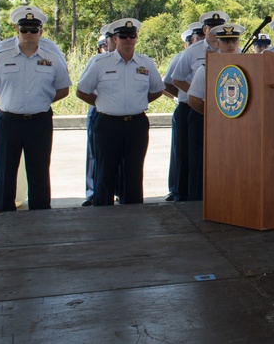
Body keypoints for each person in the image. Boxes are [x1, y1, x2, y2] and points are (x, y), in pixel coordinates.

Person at [0, 6, 71, 212]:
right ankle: (1, 220)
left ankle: (39, 220)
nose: (29, 34)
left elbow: (63, 89)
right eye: (24, 29)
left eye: (34, 29)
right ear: (16, 30)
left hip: (39, 122)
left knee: (39, 174)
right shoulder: (1, 54)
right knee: (4, 174)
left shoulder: (53, 56)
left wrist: (39, 102)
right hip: (8, 121)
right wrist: (9, 100)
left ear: (41, 32)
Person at [76, 18, 165, 206]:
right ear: (115, 39)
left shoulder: (146, 63)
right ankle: (102, 214)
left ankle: (133, 216)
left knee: (134, 172)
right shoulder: (100, 63)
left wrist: (138, 102)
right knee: (105, 172)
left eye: (131, 36)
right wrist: (101, 103)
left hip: (136, 124)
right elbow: (82, 91)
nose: (127, 40)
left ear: (136, 38)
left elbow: (157, 89)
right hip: (108, 124)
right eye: (123, 36)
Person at [169, 11, 226, 201]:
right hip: (195, 109)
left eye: (220, 28)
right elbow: (176, 78)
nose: (216, 33)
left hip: (225, 113)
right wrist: (197, 92)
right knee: (192, 157)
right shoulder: (192, 51)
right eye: (212, 28)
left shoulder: (231, 49)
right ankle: (189, 196)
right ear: (204, 29)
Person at [162, 23, 202, 201]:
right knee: (182, 152)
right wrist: (183, 95)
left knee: (198, 154)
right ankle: (178, 190)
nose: (200, 39)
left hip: (209, 109)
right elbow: (168, 83)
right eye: (197, 36)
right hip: (187, 107)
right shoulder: (183, 56)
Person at [82, 27, 115, 206]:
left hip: (117, 114)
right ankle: (93, 192)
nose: (105, 47)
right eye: (102, 45)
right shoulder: (96, 62)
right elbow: (83, 89)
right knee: (95, 155)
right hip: (97, 110)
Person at [187, 22, 244, 113]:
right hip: (214, 121)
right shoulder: (206, 69)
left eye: (234, 41)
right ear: (218, 43)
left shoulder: (247, 68)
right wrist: (211, 115)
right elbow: (193, 100)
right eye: (226, 41)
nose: (231, 45)